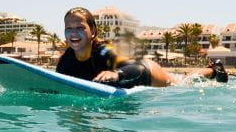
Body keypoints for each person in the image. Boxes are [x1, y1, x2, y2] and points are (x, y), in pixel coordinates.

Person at [56, 6, 225, 88]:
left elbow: (137, 68)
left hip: (146, 73)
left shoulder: (104, 50)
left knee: (182, 82)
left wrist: (116, 74)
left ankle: (214, 70)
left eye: (80, 28)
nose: (73, 33)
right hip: (126, 79)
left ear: (92, 31)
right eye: (69, 28)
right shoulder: (66, 61)